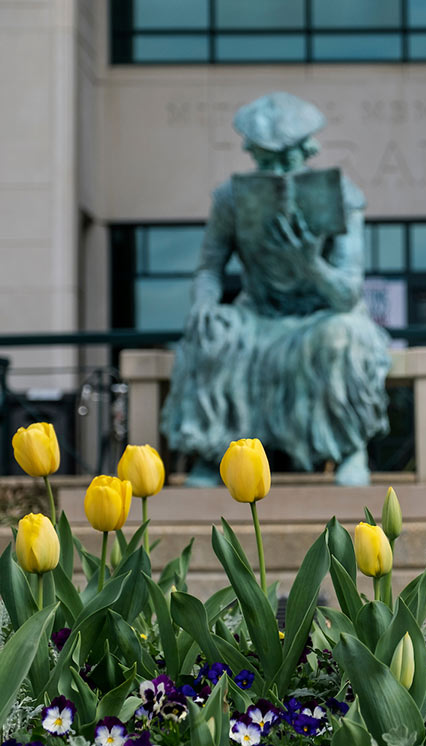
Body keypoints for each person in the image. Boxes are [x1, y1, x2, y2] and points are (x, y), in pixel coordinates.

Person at [161, 93, 391, 486]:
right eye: (268, 161)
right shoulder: (230, 199)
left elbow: (347, 295)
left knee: (343, 337)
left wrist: (309, 265)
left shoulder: (343, 197)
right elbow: (209, 268)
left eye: (288, 160)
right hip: (259, 314)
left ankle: (350, 448)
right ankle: (215, 453)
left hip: (323, 315)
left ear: (308, 150)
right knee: (215, 332)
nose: (280, 172)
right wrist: (204, 302)